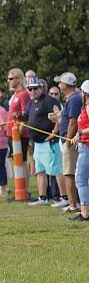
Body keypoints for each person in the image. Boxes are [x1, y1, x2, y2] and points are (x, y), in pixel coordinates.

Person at [22, 76, 63, 206]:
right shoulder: (31, 102)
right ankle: (43, 197)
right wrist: (18, 117)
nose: (33, 91)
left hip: (49, 142)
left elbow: (59, 118)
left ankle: (65, 198)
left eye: (35, 88)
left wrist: (53, 133)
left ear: (40, 88)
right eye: (30, 89)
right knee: (40, 171)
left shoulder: (50, 101)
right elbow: (27, 117)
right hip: (37, 143)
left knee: (56, 171)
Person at [57, 72, 82, 213]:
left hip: (70, 141)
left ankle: (73, 205)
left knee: (69, 174)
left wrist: (67, 141)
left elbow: (73, 122)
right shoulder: (74, 97)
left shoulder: (73, 99)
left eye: (60, 82)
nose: (59, 85)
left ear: (65, 85)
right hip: (70, 139)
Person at [7, 68, 32, 193]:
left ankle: (25, 189)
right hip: (12, 134)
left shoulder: (24, 94)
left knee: (22, 162)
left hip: (20, 135)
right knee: (16, 161)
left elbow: (25, 117)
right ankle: (20, 187)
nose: (9, 81)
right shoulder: (15, 94)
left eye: (11, 78)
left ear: (18, 79)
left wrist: (18, 134)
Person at [70, 79, 89, 221]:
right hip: (83, 145)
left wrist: (81, 133)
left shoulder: (88, 106)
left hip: (87, 147)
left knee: (80, 179)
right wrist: (77, 135)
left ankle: (85, 213)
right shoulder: (85, 107)